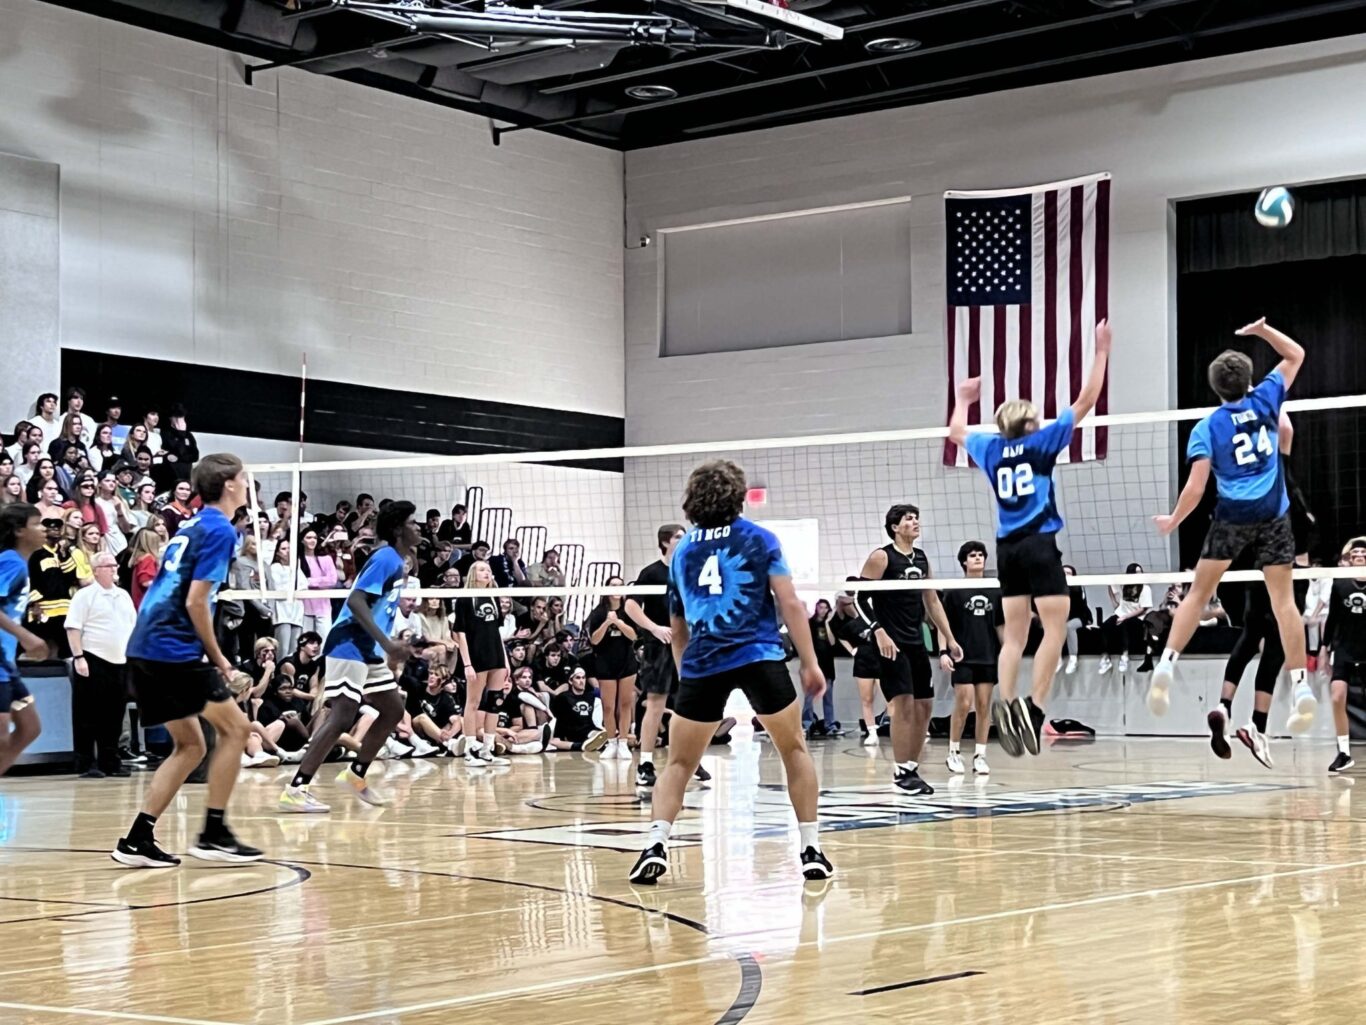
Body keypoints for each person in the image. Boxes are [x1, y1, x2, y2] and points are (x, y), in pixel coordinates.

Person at [628, 459, 831, 885]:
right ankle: (811, 849)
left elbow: (678, 626)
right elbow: (791, 604)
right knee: (794, 751)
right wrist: (810, 663)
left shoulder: (682, 551)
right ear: (738, 496)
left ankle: (656, 843)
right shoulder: (760, 539)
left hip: (704, 661)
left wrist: (688, 677)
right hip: (760, 657)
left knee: (680, 762)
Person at [949, 318, 1112, 757]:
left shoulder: (990, 448)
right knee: (1055, 629)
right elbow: (1088, 399)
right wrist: (1101, 350)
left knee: (1015, 637)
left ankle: (1006, 704)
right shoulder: (1042, 443)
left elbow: (957, 433)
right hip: (1040, 543)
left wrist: (963, 399)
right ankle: (1036, 710)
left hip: (1007, 549)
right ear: (1031, 422)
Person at [1148, 318, 1314, 734]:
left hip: (1232, 517)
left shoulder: (1207, 427)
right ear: (1248, 379)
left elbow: (1196, 488)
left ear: (1215, 387)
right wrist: (1262, 331)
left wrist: (1173, 520)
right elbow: (1296, 354)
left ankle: (1166, 663)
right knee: (1284, 604)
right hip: (1273, 515)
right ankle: (1301, 687)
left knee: (1198, 593)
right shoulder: (1266, 399)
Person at [112, 454, 263, 867]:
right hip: (172, 649)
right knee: (236, 730)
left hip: (144, 645)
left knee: (191, 745)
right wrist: (222, 662)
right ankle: (214, 833)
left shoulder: (191, 524)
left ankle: (136, 839)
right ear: (229, 485)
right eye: (244, 479)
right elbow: (197, 600)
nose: (248, 486)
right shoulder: (219, 530)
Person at [278, 502, 419, 813]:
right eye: (412, 522)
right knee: (342, 716)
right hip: (349, 644)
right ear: (397, 529)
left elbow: (376, 607)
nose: (418, 526)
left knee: (393, 709)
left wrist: (387, 642)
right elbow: (355, 601)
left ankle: (355, 774)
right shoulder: (384, 558)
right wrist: (386, 642)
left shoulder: (397, 560)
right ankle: (296, 789)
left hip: (368, 649)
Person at [853, 504, 962, 792]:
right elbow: (859, 600)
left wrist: (949, 638)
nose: (915, 522)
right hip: (891, 643)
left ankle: (911, 768)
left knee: (924, 705)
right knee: (902, 703)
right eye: (908, 519)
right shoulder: (881, 557)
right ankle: (901, 772)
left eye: (916, 518)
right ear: (894, 527)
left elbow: (932, 601)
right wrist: (878, 632)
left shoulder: (922, 558)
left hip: (915, 642)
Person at [625, 524, 706, 789]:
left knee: (691, 703)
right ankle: (645, 764)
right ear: (665, 542)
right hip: (660, 645)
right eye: (679, 537)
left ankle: (689, 759)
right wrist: (654, 628)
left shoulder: (691, 569)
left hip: (688, 644)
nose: (684, 541)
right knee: (656, 703)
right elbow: (630, 604)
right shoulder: (651, 573)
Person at [66, 551, 137, 778]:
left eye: (115, 565)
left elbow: (131, 626)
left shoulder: (123, 595)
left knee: (114, 714)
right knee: (87, 714)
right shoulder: (85, 596)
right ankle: (85, 763)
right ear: (95, 570)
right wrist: (79, 657)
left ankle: (110, 761)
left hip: (120, 661)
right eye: (108, 565)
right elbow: (73, 628)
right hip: (93, 657)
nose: (114, 568)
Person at [942, 541, 1002, 776]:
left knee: (985, 705)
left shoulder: (996, 589)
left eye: (980, 555)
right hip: (963, 656)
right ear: (964, 562)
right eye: (972, 555)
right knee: (964, 703)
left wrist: (1008, 653)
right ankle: (954, 751)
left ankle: (980, 755)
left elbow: (1001, 625)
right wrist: (944, 652)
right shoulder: (955, 590)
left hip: (988, 655)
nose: (977, 558)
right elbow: (942, 624)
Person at [0, 504, 50, 776]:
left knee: (30, 728)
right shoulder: (10, 561)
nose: (44, 529)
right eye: (37, 524)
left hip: (7, 663)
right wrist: (26, 636)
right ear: (19, 530)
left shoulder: (21, 564)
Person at [453, 559, 511, 767]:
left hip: (496, 654)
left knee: (495, 702)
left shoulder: (494, 597)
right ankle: (469, 750)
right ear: (473, 574)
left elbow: (496, 631)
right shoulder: (465, 598)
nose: (486, 572)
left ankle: (487, 749)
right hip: (476, 657)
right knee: (473, 702)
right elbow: (459, 633)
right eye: (481, 569)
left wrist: (505, 661)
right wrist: (467, 664)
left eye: (488, 569)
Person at [1323, 537, 1366, 774]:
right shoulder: (1340, 585)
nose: (1360, 554)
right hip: (1344, 649)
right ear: (1350, 558)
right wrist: (1323, 648)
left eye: (1364, 551)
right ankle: (1343, 752)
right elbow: (1332, 619)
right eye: (1356, 551)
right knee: (1337, 697)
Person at [587, 576, 638, 760]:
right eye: (613, 585)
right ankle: (611, 742)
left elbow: (633, 636)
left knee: (625, 704)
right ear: (606, 590)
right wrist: (608, 623)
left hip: (626, 662)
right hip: (605, 663)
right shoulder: (598, 613)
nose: (617, 588)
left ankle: (623, 742)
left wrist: (619, 623)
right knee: (608, 706)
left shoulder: (629, 611)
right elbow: (594, 640)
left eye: (620, 585)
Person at [830, 585, 881, 747]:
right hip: (863, 662)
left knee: (890, 698)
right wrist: (852, 650)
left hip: (880, 661)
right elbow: (840, 636)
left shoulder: (874, 617)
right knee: (866, 699)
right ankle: (872, 732)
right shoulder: (850, 624)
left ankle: (895, 727)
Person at [803, 599, 840, 738]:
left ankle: (829, 725)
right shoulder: (810, 624)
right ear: (816, 608)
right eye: (821, 607)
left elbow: (832, 642)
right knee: (809, 697)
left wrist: (827, 623)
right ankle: (807, 723)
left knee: (828, 698)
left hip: (827, 666)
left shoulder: (830, 625)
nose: (823, 610)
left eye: (825, 607)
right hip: (813, 666)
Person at [1061, 565, 1093, 675]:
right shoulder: (1055, 588)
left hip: (1080, 617)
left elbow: (1079, 609)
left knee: (1069, 626)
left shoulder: (1077, 588)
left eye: (1068, 573)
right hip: (1063, 618)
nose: (1066, 575)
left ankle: (1073, 658)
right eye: (1064, 573)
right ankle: (1057, 659)